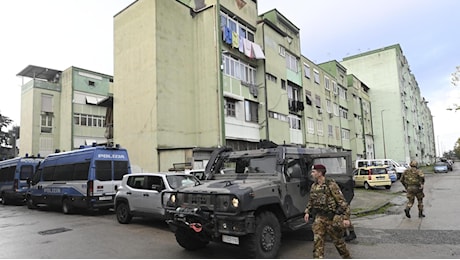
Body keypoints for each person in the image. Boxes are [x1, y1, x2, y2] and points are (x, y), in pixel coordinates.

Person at [304, 164, 352, 259]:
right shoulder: (314, 186)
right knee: (318, 243)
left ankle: (347, 257)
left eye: (314, 172)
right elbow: (311, 200)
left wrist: (346, 218)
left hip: (331, 218)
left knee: (338, 243)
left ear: (320, 173)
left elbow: (341, 201)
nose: (312, 174)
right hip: (319, 218)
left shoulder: (331, 185)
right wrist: (307, 211)